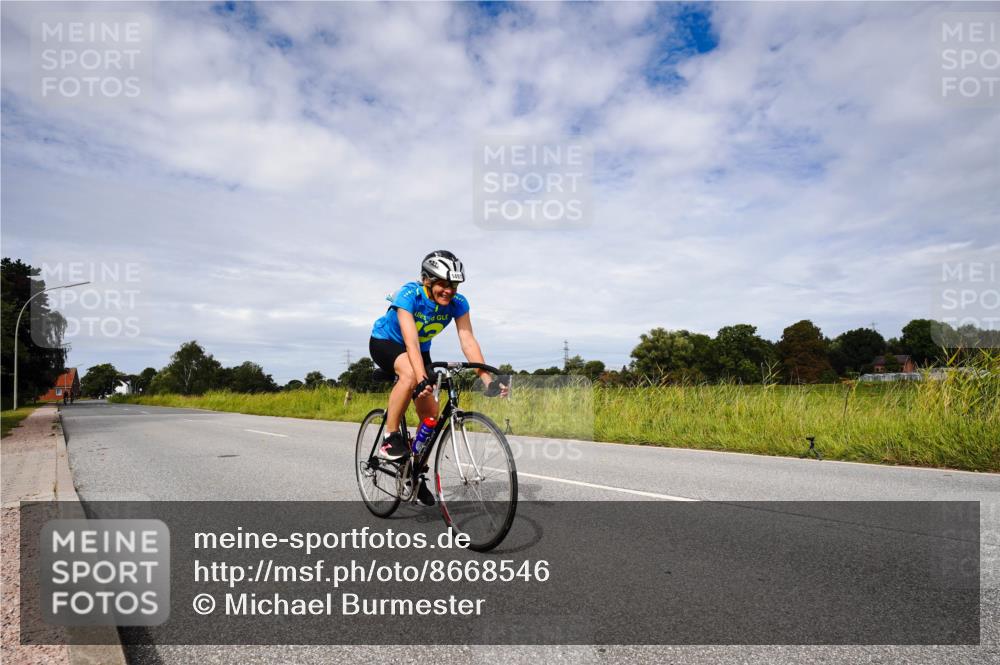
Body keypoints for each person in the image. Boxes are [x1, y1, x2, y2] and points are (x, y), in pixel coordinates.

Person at [369, 250, 505, 504]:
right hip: (387, 342)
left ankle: (413, 471)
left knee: (431, 416)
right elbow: (410, 341)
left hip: (420, 351)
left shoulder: (459, 303)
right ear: (426, 280)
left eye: (453, 285)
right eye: (442, 284)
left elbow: (467, 340)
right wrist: (421, 378)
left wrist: (486, 378)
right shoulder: (409, 295)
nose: (449, 290)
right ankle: (389, 438)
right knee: (411, 375)